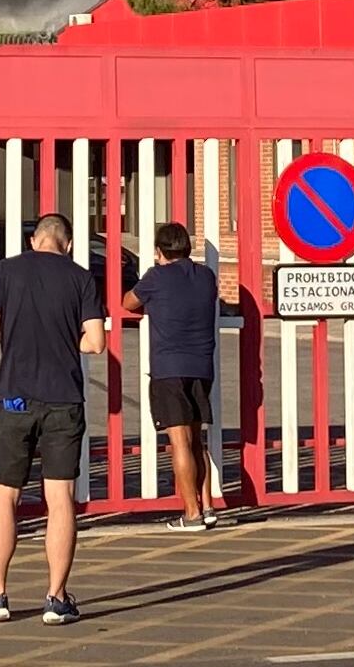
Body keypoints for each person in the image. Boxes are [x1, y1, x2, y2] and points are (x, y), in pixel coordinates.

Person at [0, 210, 103, 626]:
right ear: (67, 244)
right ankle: (56, 598)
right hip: (63, 399)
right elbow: (96, 342)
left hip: (16, 398)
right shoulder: (81, 278)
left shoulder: (8, 271)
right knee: (60, 498)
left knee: (5, 496)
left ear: (35, 240)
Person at [121, 219, 222, 532]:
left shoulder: (156, 277)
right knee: (197, 442)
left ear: (158, 251)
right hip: (202, 367)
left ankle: (190, 513)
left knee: (179, 442)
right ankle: (207, 506)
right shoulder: (206, 276)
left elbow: (128, 302)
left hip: (169, 369)